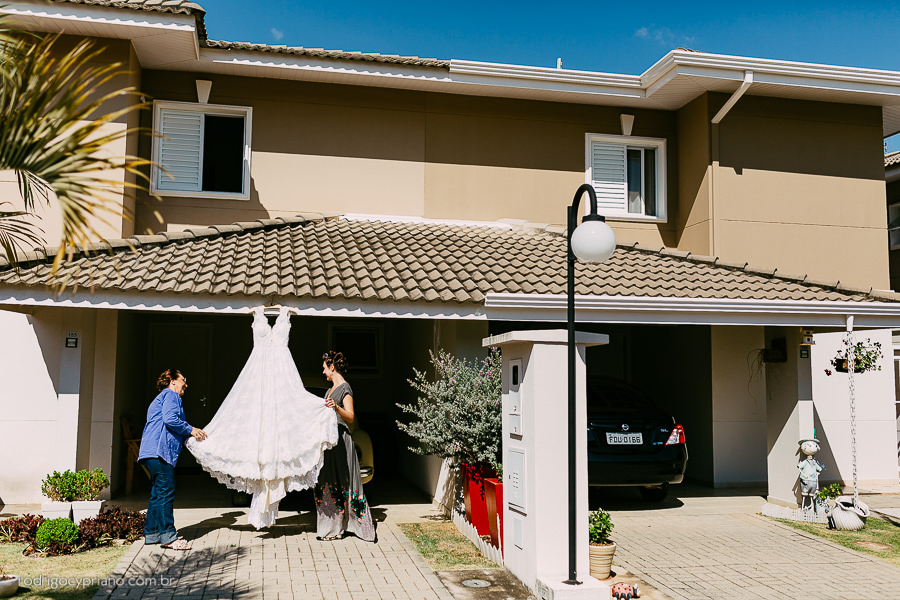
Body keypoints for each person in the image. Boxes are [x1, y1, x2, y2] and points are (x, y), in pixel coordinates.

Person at [185, 306, 338, 529]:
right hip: (258, 374)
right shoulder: (257, 314)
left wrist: (322, 407)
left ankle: (267, 504)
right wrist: (259, 314)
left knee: (276, 435)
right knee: (247, 422)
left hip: (280, 374)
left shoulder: (285, 316)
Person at [137, 369, 206, 550]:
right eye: (183, 380)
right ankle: (169, 537)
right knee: (166, 491)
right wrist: (190, 429)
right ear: (172, 381)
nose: (186, 384)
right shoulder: (171, 395)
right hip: (159, 452)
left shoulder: (161, 398)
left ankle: (152, 534)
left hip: (149, 452)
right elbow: (170, 419)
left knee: (158, 493)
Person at [315, 351, 376, 542]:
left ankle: (357, 527)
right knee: (327, 482)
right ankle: (330, 527)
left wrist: (337, 407)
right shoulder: (329, 390)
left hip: (342, 440)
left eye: (325, 367)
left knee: (344, 482)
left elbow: (350, 417)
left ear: (332, 367)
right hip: (330, 442)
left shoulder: (345, 388)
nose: (323, 371)